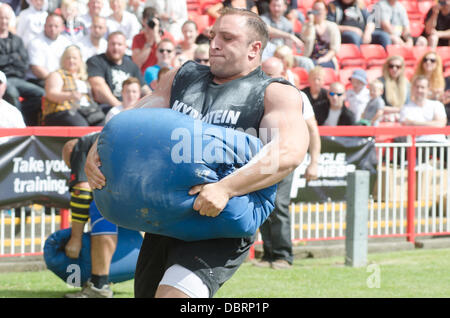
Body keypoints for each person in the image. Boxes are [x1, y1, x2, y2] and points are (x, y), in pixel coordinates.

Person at [84, 7, 309, 298]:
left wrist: (226, 188)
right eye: (213, 35)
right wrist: (99, 144)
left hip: (219, 226)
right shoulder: (184, 76)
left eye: (227, 38)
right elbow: (138, 114)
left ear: (255, 49)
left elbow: (288, 152)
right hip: (165, 219)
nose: (214, 43)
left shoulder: (274, 93)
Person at [255, 56, 320, 269]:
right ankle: (268, 254)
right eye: (264, 72)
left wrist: (314, 162)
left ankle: (283, 255)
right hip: (262, 156)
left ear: (283, 74)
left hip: (284, 155)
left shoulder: (297, 96)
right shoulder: (254, 94)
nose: (267, 77)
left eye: (271, 73)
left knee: (279, 204)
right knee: (264, 203)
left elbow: (313, 129)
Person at [62, 132, 117, 298]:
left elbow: (82, 191)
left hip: (120, 227)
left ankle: (99, 286)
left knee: (100, 207)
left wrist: (75, 238)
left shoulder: (79, 145)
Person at [0, 3, 45, 126]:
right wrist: (14, 58)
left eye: (6, 18)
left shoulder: (17, 40)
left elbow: (24, 63)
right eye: (1, 18)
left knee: (41, 94)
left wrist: (6, 59)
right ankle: (19, 127)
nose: (3, 21)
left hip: (18, 78)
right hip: (3, 80)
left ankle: (27, 121)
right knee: (12, 94)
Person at [42, 45, 105, 126]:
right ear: (63, 60)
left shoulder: (84, 78)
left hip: (86, 110)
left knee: (102, 125)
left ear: (80, 61)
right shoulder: (57, 74)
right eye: (68, 58)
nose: (71, 60)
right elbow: (51, 94)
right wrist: (70, 95)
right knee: (81, 126)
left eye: (74, 58)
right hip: (62, 111)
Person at [87, 31, 149, 112]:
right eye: (113, 44)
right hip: (107, 108)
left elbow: (144, 89)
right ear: (107, 45)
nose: (116, 47)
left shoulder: (132, 65)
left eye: (119, 44)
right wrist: (120, 107)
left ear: (125, 47)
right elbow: (98, 87)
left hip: (130, 108)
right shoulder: (96, 61)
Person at [27, 13, 72, 88]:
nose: (52, 29)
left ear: (62, 28)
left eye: (56, 26)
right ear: (44, 26)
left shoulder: (66, 43)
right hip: (39, 81)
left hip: (61, 80)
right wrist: (55, 80)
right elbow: (36, 69)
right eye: (50, 26)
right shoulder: (35, 43)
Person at [400, 75, 447, 142]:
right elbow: (406, 126)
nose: (419, 90)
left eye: (422, 87)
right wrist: (433, 123)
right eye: (417, 87)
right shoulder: (405, 108)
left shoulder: (437, 105)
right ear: (412, 88)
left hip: (438, 144)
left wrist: (414, 123)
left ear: (428, 89)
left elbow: (441, 124)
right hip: (417, 144)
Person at [301, 0, 341, 70]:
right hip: (311, 58)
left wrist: (325, 58)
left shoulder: (332, 26)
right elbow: (306, 38)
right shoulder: (307, 26)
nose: (318, 12)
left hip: (327, 59)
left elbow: (334, 48)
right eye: (315, 10)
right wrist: (310, 23)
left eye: (320, 10)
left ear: (325, 11)